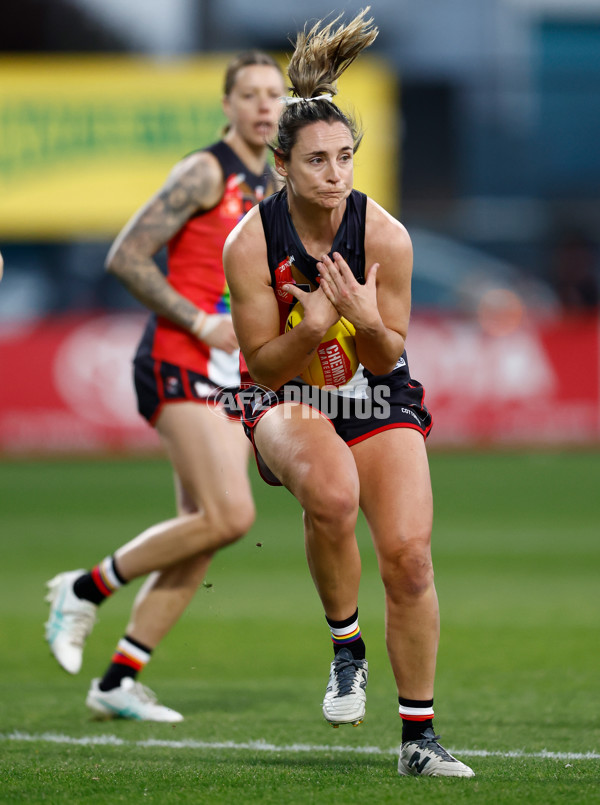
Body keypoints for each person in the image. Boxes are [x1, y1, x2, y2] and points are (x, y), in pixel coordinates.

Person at [223, 10, 475, 778]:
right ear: (283, 168)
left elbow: (388, 352)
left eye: (345, 158)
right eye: (317, 162)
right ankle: (345, 646)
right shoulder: (251, 244)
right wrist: (314, 325)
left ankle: (418, 741)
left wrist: (364, 320)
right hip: (284, 392)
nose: (335, 175)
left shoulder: (387, 237)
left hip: (372, 388)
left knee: (408, 558)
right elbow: (264, 367)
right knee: (330, 493)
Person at [44, 51, 286, 722]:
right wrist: (200, 321)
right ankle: (84, 588)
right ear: (227, 107)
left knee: (202, 529)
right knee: (232, 514)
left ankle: (119, 679)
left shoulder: (276, 184)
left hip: (229, 367)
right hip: (180, 353)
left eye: (275, 94)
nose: (266, 106)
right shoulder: (206, 170)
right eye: (251, 95)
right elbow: (125, 254)